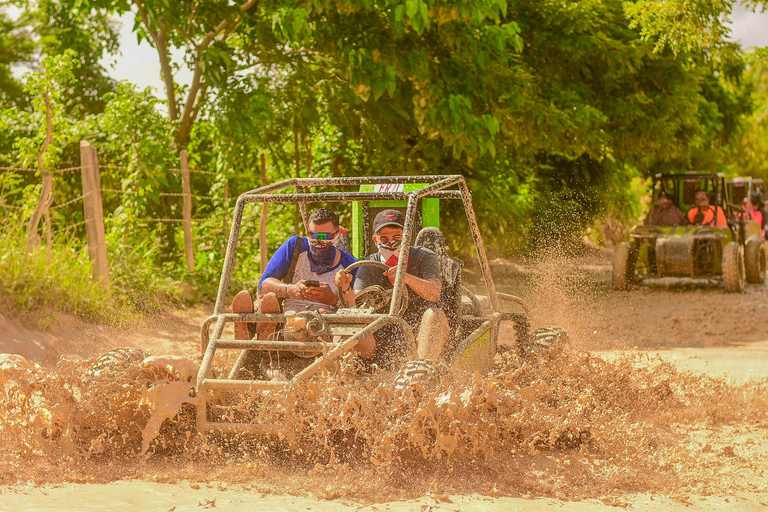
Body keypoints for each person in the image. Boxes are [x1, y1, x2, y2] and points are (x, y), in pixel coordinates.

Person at [334, 209, 449, 369]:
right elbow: (357, 307)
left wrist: (406, 277)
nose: (391, 243)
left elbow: (434, 294)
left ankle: (421, 373)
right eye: (384, 239)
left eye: (396, 238)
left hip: (420, 330)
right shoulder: (368, 265)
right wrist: (346, 287)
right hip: (380, 335)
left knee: (434, 315)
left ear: (407, 238)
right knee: (349, 322)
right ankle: (342, 375)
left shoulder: (424, 257)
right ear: (375, 240)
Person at [231, 208, 358, 340]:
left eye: (324, 237)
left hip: (325, 328)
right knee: (268, 301)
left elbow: (357, 310)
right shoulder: (295, 247)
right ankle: (253, 327)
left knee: (328, 317)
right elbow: (263, 285)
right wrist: (291, 289)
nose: (318, 242)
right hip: (288, 319)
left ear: (337, 235)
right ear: (308, 234)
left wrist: (332, 299)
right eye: (314, 236)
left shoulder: (350, 265)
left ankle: (261, 329)